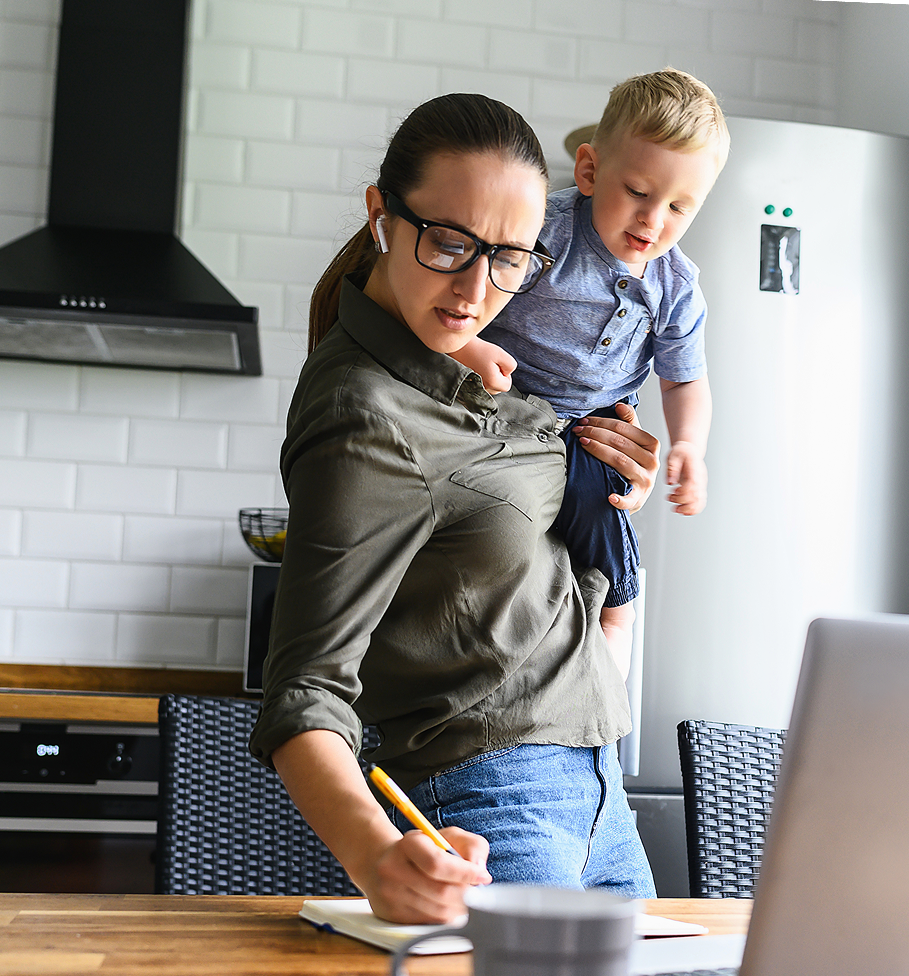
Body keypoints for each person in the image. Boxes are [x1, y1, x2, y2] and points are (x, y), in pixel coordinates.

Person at [249, 93, 661, 925]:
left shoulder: (463, 363)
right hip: (493, 801)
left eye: (509, 257)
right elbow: (304, 687)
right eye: (448, 244)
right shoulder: (364, 417)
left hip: (599, 792)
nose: (477, 288)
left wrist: (611, 490)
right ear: (382, 216)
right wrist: (373, 854)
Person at [461, 69, 730, 677]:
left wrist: (689, 444)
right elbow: (471, 298)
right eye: (638, 191)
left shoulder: (676, 285)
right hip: (500, 403)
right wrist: (470, 348)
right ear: (588, 170)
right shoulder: (543, 233)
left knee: (602, 508)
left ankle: (616, 623)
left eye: (680, 207)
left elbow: (684, 379)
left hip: (593, 426)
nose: (653, 220)